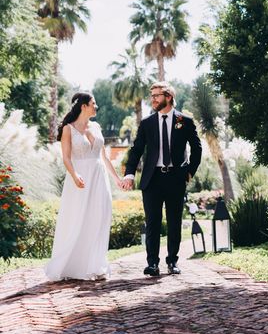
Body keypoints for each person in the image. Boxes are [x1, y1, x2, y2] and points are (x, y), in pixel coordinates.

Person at [122, 81, 202, 276]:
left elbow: (197, 147)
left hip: (176, 178)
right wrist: (130, 174)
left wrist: (190, 170)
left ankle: (173, 262)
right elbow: (137, 150)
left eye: (157, 95)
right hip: (152, 179)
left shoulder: (185, 121)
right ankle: (153, 264)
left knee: (174, 222)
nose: (153, 99)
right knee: (153, 223)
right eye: (152, 96)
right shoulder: (147, 123)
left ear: (168, 97)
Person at [45, 92, 124, 281]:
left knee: (100, 217)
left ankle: (95, 264)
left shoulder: (96, 127)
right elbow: (65, 157)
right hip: (79, 180)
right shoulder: (68, 129)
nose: (96, 107)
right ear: (83, 106)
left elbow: (104, 157)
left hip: (99, 178)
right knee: (78, 218)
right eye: (93, 103)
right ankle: (73, 265)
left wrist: (116, 179)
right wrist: (74, 175)